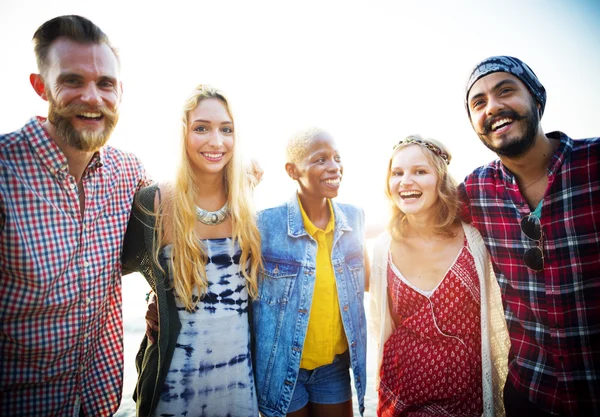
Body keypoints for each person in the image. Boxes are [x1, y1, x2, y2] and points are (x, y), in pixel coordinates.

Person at [0, 15, 149, 416]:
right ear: (41, 87)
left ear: (120, 91)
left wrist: (163, 307)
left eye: (105, 84)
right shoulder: (5, 173)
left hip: (98, 404)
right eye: (72, 81)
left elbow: (177, 223)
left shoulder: (128, 173)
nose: (92, 97)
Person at [462, 55, 600, 416]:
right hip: (532, 395)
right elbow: (421, 223)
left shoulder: (594, 163)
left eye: (506, 90)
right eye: (479, 103)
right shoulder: (476, 190)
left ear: (537, 98)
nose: (493, 107)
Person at [122, 84, 262, 417]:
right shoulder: (154, 202)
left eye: (226, 129)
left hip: (239, 387)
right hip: (173, 389)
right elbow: (121, 265)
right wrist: (156, 301)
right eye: (201, 128)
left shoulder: (246, 196)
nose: (217, 141)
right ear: (182, 133)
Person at [369, 135, 509, 416]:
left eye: (419, 171)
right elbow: (380, 324)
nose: (406, 181)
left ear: (440, 179)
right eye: (397, 173)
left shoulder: (474, 240)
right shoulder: (383, 247)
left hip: (468, 399)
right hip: (402, 397)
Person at [253, 127, 369, 417]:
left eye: (337, 158)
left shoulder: (355, 217)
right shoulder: (265, 224)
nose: (334, 166)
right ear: (293, 170)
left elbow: (367, 280)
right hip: (281, 368)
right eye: (320, 159)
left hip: (333, 367)